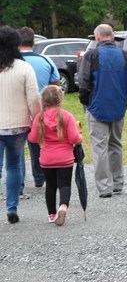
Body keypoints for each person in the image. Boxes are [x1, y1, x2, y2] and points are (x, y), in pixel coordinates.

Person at [78, 24, 127, 198]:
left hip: (97, 106)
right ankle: (117, 183)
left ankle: (104, 187)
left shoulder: (91, 55)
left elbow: (83, 83)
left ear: (97, 38)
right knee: (115, 144)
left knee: (99, 146)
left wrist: (87, 102)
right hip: (118, 106)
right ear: (113, 37)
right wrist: (126, 98)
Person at [0, 25, 41, 223]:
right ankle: (12, 208)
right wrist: (37, 119)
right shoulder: (24, 68)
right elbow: (34, 99)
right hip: (18, 126)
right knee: (14, 166)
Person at [28, 85, 82, 225]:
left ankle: (51, 214)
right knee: (64, 185)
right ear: (60, 100)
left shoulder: (39, 118)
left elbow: (32, 139)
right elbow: (74, 138)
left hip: (46, 159)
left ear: (43, 100)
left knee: (50, 186)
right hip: (65, 158)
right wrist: (80, 138)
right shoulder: (67, 116)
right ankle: (63, 206)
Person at [18, 26, 61, 191]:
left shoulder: (11, 62)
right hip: (41, 110)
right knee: (37, 143)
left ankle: (19, 182)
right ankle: (39, 177)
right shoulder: (46, 60)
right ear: (34, 42)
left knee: (17, 149)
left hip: (18, 111)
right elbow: (56, 86)